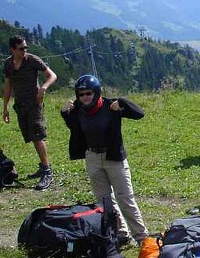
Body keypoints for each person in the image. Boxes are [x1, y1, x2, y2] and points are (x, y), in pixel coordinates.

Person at [61, 75, 149, 245]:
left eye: (88, 93)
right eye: (81, 94)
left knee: (125, 198)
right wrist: (65, 113)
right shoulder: (78, 110)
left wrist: (122, 102)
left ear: (97, 92)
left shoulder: (110, 106)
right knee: (104, 201)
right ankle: (120, 233)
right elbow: (75, 128)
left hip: (114, 158)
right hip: (92, 158)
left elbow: (139, 114)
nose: (85, 97)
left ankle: (142, 238)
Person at [2, 35, 57, 190]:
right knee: (31, 136)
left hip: (35, 104)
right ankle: (43, 166)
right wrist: (5, 107)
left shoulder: (32, 60)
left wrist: (43, 88)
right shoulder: (8, 65)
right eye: (21, 48)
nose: (25, 50)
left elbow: (52, 75)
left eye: (26, 47)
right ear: (12, 50)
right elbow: (8, 87)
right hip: (20, 105)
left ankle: (47, 170)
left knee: (37, 136)